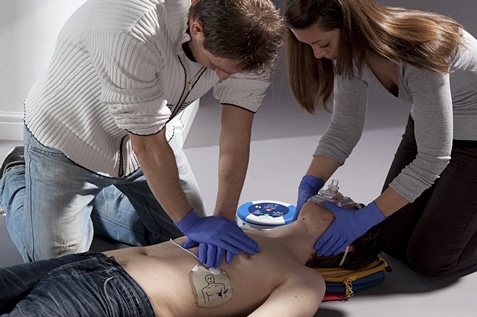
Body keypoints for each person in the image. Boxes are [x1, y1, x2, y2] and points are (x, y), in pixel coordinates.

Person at [0, 0, 284, 267]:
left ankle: (90, 205)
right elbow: (147, 146)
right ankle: (16, 175)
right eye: (216, 67)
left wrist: (224, 217)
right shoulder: (132, 27)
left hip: (153, 135)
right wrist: (192, 223)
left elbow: (235, 135)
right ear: (197, 28)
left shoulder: (253, 39)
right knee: (60, 268)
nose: (222, 78)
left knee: (183, 244)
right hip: (69, 144)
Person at [284, 0, 477, 276]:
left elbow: (433, 159)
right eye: (309, 45)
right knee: (391, 239)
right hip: (430, 125)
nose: (317, 55)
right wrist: (309, 184)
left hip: (474, 139)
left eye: (323, 44)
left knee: (430, 260)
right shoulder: (348, 53)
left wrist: (365, 218)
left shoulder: (420, 51)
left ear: (351, 27)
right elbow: (343, 130)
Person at [0, 200, 384, 316]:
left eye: (349, 207)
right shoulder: (246, 229)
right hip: (93, 264)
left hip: (117, 299)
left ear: (344, 243)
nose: (341, 197)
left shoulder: (305, 280)